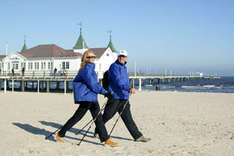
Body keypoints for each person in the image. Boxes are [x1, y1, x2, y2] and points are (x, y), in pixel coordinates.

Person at [56, 50, 118, 147]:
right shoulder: (87, 70)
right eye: (90, 57)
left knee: (99, 119)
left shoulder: (91, 69)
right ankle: (60, 134)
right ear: (86, 59)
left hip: (92, 97)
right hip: (86, 98)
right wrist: (105, 92)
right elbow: (93, 85)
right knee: (77, 118)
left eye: (93, 56)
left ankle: (106, 139)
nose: (92, 58)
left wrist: (105, 92)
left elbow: (94, 85)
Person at [95, 50, 151, 142]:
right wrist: (128, 89)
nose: (121, 57)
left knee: (128, 118)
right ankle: (98, 130)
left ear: (126, 58)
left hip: (124, 97)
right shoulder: (114, 67)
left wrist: (128, 90)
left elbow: (125, 81)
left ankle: (138, 136)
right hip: (115, 96)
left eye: (123, 56)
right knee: (107, 116)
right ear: (118, 57)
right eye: (120, 56)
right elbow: (118, 81)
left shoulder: (124, 67)